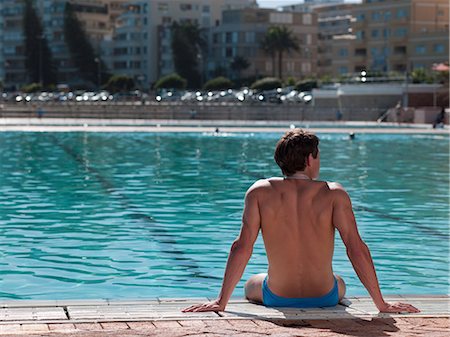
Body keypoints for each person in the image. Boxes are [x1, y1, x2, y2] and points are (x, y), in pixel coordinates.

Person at [183, 129, 419, 314]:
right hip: (324, 296)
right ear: (309, 159)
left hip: (278, 295)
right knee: (340, 282)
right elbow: (356, 248)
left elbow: (241, 247)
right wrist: (381, 303)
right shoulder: (334, 193)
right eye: (318, 157)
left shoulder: (259, 192)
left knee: (251, 284)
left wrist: (221, 301)